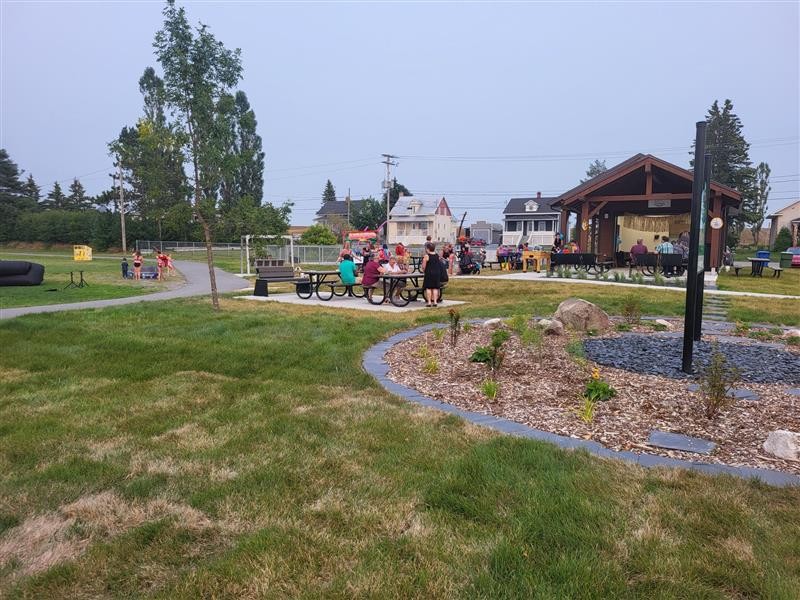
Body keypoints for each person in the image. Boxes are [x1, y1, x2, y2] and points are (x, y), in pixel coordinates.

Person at [421, 242, 441, 307]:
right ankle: (435, 302)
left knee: (429, 288)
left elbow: (423, 266)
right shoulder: (437, 255)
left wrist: (424, 271)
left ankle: (429, 302)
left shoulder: (427, 256)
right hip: (437, 273)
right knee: (435, 288)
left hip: (429, 273)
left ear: (428, 249)